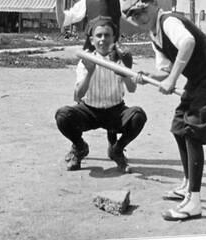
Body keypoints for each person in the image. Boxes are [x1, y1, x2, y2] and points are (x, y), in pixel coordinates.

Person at [123, 0, 206, 221]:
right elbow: (165, 69)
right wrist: (144, 75)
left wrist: (171, 80)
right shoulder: (154, 34)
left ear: (151, 6)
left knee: (192, 132)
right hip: (197, 79)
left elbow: (188, 43)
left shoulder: (168, 21)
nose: (138, 19)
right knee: (179, 127)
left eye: (140, 12)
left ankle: (194, 201)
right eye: (133, 16)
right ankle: (188, 182)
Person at [53, 0, 133, 153]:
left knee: (112, 98)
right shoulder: (86, 3)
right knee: (85, 97)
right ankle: (77, 145)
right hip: (91, 57)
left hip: (113, 56)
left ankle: (114, 145)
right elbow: (63, 20)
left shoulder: (118, 2)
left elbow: (136, 17)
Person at [54, 16, 147, 173]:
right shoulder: (86, 60)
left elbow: (131, 89)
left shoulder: (121, 60)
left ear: (114, 39)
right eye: (99, 35)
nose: (103, 39)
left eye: (107, 35)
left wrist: (124, 74)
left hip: (115, 111)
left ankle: (117, 150)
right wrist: (90, 72)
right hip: (89, 110)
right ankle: (80, 147)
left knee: (138, 115)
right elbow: (78, 96)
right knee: (63, 116)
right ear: (92, 40)